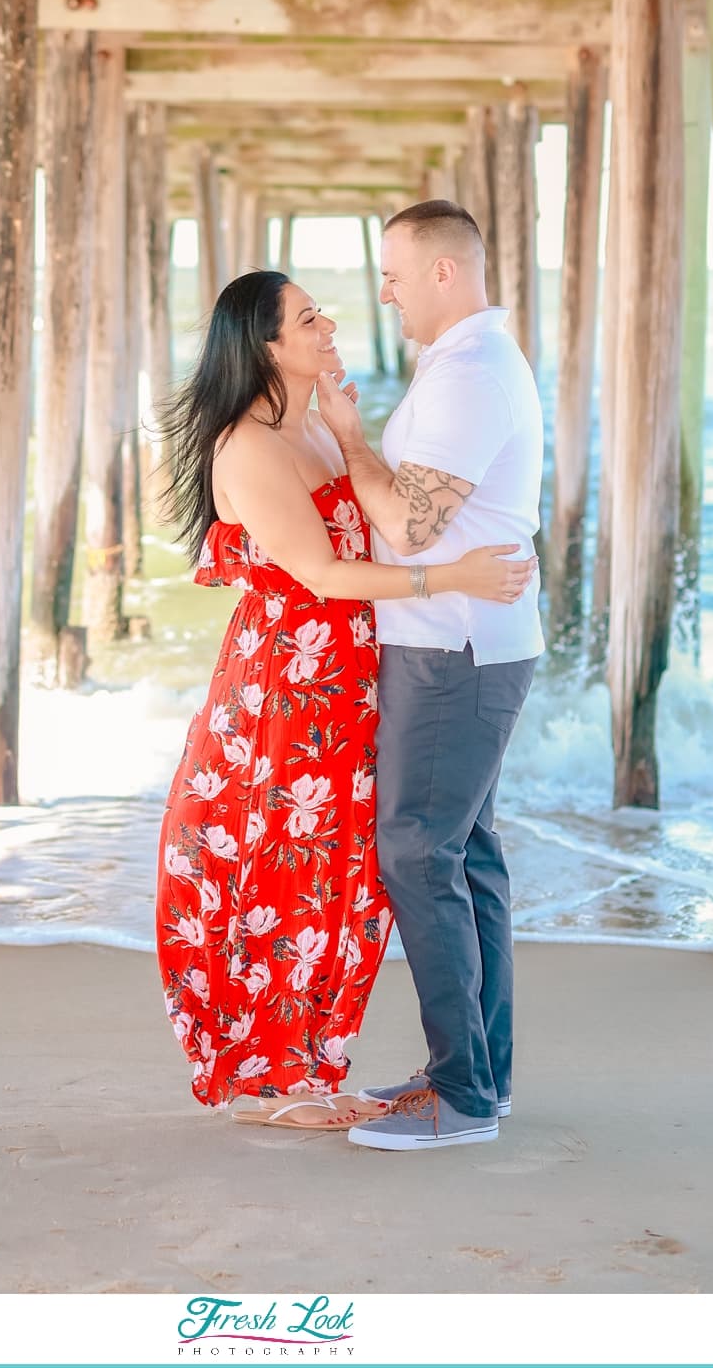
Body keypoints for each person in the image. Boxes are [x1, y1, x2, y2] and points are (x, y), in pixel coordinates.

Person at [155, 268, 536, 1131]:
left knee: (334, 871)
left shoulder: (318, 432)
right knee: (281, 861)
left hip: (349, 674)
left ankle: (307, 1062)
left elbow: (378, 520)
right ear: (267, 347)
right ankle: (266, 1083)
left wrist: (353, 436)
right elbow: (323, 574)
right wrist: (455, 574)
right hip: (290, 682)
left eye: (322, 311)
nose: (329, 325)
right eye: (307, 318)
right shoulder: (248, 446)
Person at [314, 200, 545, 1152]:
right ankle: (479, 1078)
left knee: (416, 852)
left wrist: (353, 442)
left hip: (455, 649)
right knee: (462, 856)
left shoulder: (472, 375)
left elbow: (410, 527)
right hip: (463, 641)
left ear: (445, 273)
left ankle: (459, 1098)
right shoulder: (463, 366)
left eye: (396, 275)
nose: (386, 292)